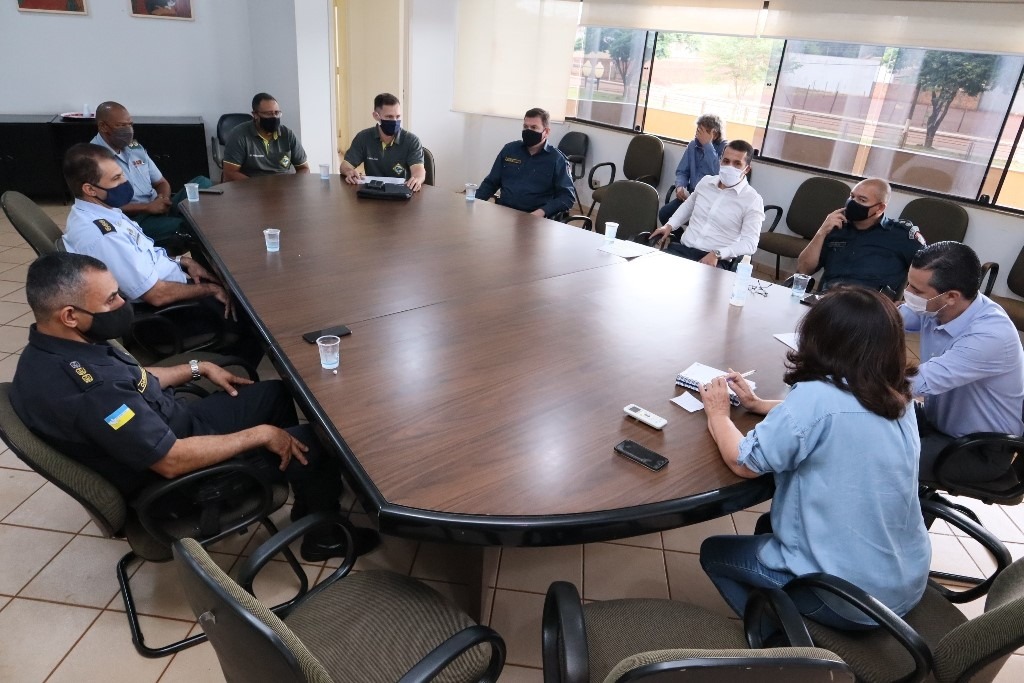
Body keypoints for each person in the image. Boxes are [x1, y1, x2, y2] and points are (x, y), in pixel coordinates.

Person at [10, 253, 378, 560]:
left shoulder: (58, 344)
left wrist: (197, 367)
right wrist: (261, 435)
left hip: (178, 425)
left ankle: (307, 501)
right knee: (316, 443)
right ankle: (322, 537)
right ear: (69, 315)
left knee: (278, 394)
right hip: (185, 481)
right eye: (110, 301)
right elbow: (170, 460)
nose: (123, 304)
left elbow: (134, 377)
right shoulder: (87, 391)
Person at [698, 286, 930, 629]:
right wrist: (760, 405)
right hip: (904, 582)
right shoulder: (899, 395)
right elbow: (836, 416)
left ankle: (784, 644)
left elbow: (743, 462)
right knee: (767, 529)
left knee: (714, 552)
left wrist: (718, 414)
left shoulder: (818, 397)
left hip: (846, 599)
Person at [61, 143, 260, 364]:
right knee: (255, 319)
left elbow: (143, 253)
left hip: (172, 285)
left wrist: (182, 261)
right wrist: (208, 290)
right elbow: (156, 295)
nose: (125, 183)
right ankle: (233, 376)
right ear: (90, 189)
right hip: (163, 315)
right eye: (116, 179)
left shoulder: (106, 211)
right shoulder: (102, 235)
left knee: (239, 292)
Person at [901, 241, 1024, 483]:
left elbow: (917, 383)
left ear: (951, 296)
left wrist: (845, 373)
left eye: (916, 290)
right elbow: (889, 319)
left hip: (976, 449)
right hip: (937, 422)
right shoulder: (935, 306)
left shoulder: (990, 334)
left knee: (877, 457)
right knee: (861, 421)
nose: (908, 294)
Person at [91, 101, 211, 250]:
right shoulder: (93, 158)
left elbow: (161, 183)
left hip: (157, 206)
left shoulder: (135, 149)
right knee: (190, 229)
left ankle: (179, 222)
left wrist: (163, 199)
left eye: (130, 124)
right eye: (121, 126)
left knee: (203, 184)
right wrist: (147, 207)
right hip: (133, 219)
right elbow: (101, 206)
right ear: (103, 126)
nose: (128, 130)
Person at [796, 178, 926, 296]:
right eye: (852, 196)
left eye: (862, 200)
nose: (853, 203)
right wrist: (821, 232)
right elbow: (803, 270)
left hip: (870, 308)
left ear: (880, 208)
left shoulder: (901, 235)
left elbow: (929, 272)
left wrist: (906, 302)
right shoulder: (836, 227)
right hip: (829, 300)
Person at [648, 140, 764, 268]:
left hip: (715, 260)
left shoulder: (752, 200)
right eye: (726, 161)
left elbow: (750, 243)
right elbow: (688, 207)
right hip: (684, 249)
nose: (730, 167)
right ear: (720, 161)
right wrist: (669, 225)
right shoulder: (706, 182)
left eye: (737, 164)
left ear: (747, 169)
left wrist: (717, 254)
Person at [475, 107, 576, 219]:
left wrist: (542, 212)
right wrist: (474, 201)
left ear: (546, 132)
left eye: (533, 127)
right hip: (505, 214)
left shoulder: (557, 159)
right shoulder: (510, 150)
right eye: (525, 126)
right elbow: (491, 182)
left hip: (535, 219)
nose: (528, 131)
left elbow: (567, 197)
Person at [340, 93, 426, 192]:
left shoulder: (412, 141)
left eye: (398, 116)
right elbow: (345, 165)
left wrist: (417, 179)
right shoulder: (363, 137)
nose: (394, 121)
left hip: (401, 194)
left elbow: (419, 171)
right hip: (373, 193)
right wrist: (349, 172)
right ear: (376, 116)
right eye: (389, 117)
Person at [222, 93, 310, 182]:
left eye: (277, 113)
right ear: (255, 115)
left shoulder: (287, 134)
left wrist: (293, 186)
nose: (274, 117)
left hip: (283, 188)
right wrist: (261, 189)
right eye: (268, 114)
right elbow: (230, 173)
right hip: (251, 188)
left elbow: (304, 168)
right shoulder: (239, 135)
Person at [659, 114, 727, 225]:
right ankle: (680, 240)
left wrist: (707, 146)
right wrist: (680, 186)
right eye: (697, 130)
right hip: (691, 196)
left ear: (714, 134)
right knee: (664, 214)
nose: (697, 134)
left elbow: (719, 174)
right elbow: (682, 171)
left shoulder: (725, 149)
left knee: (700, 224)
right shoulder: (692, 145)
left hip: (711, 200)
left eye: (702, 132)